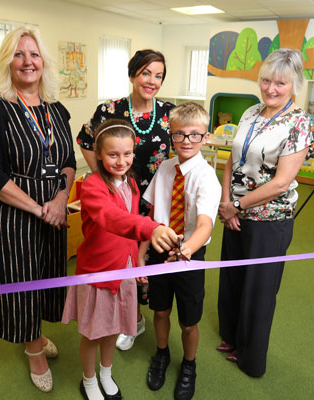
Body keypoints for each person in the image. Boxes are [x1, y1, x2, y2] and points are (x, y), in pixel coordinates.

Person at [0, 26, 76, 392]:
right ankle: (33, 349)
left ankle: (37, 332)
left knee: (46, 276)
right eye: (19, 54)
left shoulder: (55, 109)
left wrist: (60, 199)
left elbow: (67, 160)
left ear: (43, 61)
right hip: (12, 215)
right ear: (7, 62)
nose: (28, 61)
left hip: (53, 211)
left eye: (34, 54)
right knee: (21, 281)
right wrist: (38, 207)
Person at [62, 119, 179, 400]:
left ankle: (105, 372)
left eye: (127, 154)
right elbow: (112, 219)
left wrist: (136, 261)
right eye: (113, 154)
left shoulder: (132, 183)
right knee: (93, 332)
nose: (121, 160)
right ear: (99, 154)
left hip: (123, 270)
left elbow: (129, 229)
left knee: (112, 328)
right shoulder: (92, 186)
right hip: (99, 272)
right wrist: (150, 228)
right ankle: (89, 380)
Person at [216, 48, 314, 378]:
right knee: (232, 280)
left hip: (269, 221)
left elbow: (281, 182)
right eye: (266, 80)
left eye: (281, 83)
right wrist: (226, 203)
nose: (271, 88)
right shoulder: (250, 112)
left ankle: (250, 357)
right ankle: (230, 338)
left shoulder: (299, 123)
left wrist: (238, 205)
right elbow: (232, 159)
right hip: (234, 213)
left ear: (295, 85)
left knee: (258, 291)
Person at [77, 49, 175, 351]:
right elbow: (85, 140)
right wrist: (105, 181)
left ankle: (139, 317)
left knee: (147, 260)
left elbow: (188, 143)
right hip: (120, 197)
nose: (152, 81)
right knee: (118, 257)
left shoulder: (170, 112)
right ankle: (128, 320)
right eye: (146, 73)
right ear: (133, 74)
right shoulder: (109, 110)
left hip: (156, 197)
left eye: (158, 76)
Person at [140, 102, 222, 400]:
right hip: (161, 251)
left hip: (190, 255)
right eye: (179, 135)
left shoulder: (206, 177)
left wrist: (184, 250)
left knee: (189, 321)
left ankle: (189, 364)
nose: (186, 142)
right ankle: (162, 354)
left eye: (194, 135)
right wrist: (141, 255)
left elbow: (204, 226)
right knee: (160, 310)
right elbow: (150, 216)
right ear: (170, 136)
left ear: (206, 136)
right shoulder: (163, 168)